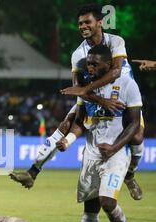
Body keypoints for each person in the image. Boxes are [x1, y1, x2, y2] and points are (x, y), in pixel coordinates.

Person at [10, 3, 144, 201]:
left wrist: (87, 90)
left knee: (138, 137)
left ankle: (130, 175)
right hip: (95, 98)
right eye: (80, 23)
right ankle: (33, 171)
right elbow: (77, 88)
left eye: (87, 22)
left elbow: (115, 71)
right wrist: (99, 99)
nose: (83, 26)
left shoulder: (115, 42)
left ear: (100, 22)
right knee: (66, 124)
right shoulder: (78, 54)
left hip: (122, 97)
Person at [56, 45, 141, 222]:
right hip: (91, 154)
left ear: (108, 64)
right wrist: (68, 141)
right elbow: (81, 122)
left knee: (107, 201)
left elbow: (134, 123)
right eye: (88, 63)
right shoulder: (85, 88)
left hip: (116, 153)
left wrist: (114, 147)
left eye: (95, 64)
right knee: (90, 207)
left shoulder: (126, 84)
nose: (90, 68)